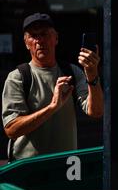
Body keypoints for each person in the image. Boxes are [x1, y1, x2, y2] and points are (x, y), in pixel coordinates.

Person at [1, 13, 103, 161]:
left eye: (44, 34)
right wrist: (52, 107)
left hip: (68, 164)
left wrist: (92, 74)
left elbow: (96, 112)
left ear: (56, 38)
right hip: (27, 166)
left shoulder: (72, 72)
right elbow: (11, 129)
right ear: (26, 42)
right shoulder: (18, 77)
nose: (39, 40)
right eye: (33, 36)